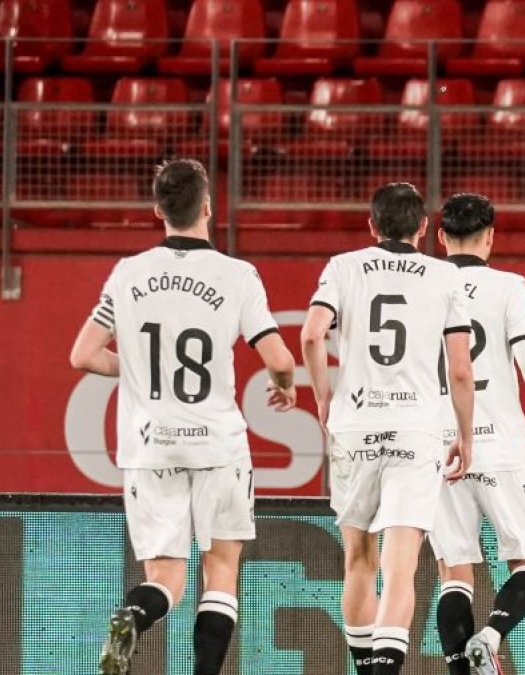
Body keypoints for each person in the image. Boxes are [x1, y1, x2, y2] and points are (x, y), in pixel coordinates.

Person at [69, 159, 297, 675]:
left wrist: (135, 371)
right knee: (220, 570)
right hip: (216, 444)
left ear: (158, 210)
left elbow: (82, 355)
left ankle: (133, 612)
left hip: (150, 444)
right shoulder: (237, 275)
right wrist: (284, 389)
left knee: (165, 578)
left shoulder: (128, 273)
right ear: (208, 207)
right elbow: (280, 360)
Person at [300, 182, 475, 675]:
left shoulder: (343, 267)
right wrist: (465, 434)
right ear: (423, 228)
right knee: (402, 569)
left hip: (354, 424)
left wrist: (322, 396)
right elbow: (460, 370)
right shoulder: (443, 276)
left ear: (371, 225)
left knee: (359, 559)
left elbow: (312, 333)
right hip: (416, 429)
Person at [428, 193, 525, 675]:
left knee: (454, 574)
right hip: (500, 443)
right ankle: (490, 637)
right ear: (491, 236)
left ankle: (459, 668)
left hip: (440, 446)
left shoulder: (424, 285)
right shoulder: (510, 286)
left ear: (442, 237)